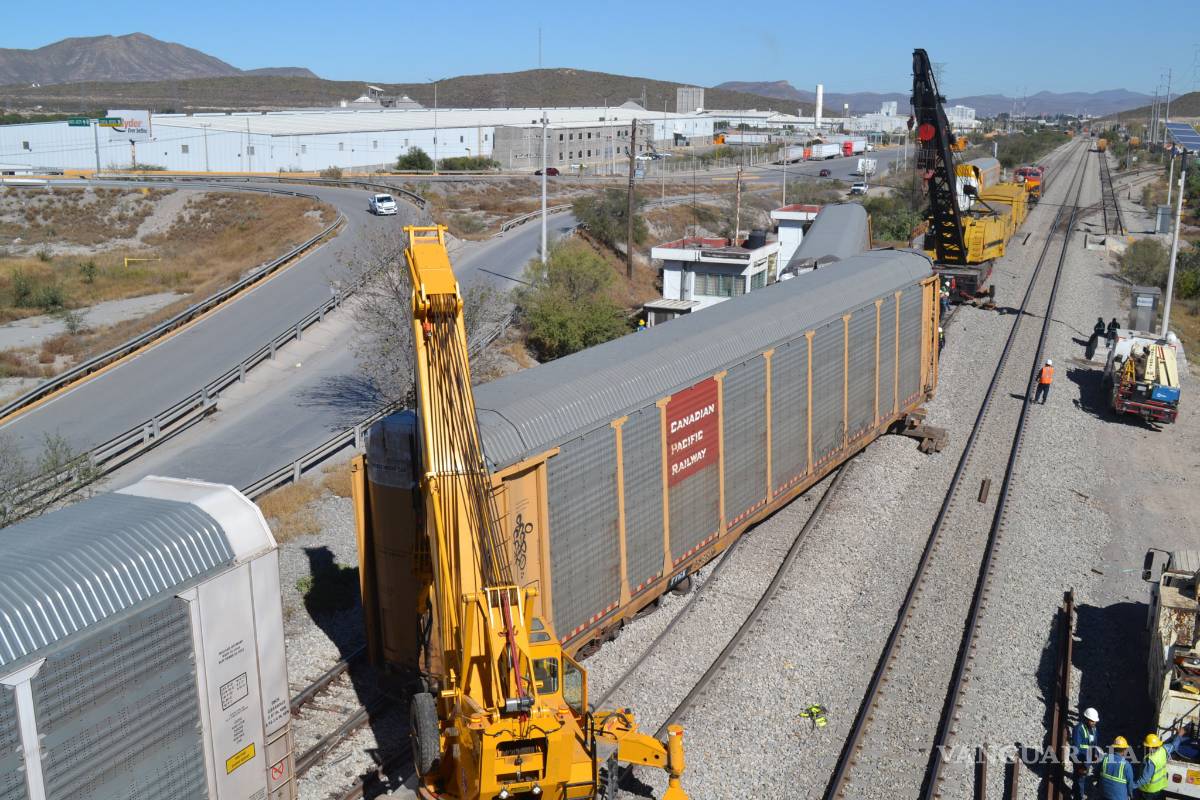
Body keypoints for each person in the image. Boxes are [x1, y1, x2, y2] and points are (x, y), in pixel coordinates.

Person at [1134, 731, 1180, 798]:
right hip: (1160, 789)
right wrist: (1179, 735)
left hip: (1148, 791)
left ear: (1150, 747)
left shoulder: (1150, 760)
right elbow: (1173, 745)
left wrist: (1133, 785)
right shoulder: (1164, 750)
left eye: (1146, 746)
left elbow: (1144, 779)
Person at [1071, 707, 1101, 800]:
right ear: (1086, 719)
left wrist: (1095, 755)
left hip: (1087, 759)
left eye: (1095, 721)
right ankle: (1078, 797)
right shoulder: (1078, 729)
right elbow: (1076, 748)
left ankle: (1075, 791)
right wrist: (1080, 765)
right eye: (1092, 721)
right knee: (1080, 779)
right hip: (1080, 759)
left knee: (1079, 778)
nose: (1094, 723)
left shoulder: (1094, 729)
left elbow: (1094, 744)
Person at [1097, 736, 1135, 800]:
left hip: (1104, 794)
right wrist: (1130, 794)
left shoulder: (1105, 759)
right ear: (1125, 750)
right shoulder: (1126, 765)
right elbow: (1130, 785)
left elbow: (1097, 774)